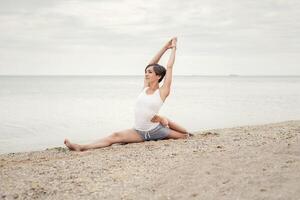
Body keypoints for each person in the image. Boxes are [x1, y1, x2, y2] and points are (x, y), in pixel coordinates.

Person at [64, 37, 191, 151]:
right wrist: (164, 47)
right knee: (114, 136)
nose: (146, 74)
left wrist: (174, 48)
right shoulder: (145, 88)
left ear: (158, 76)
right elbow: (150, 63)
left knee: (184, 135)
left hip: (156, 130)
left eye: (150, 72)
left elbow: (169, 67)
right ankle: (81, 147)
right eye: (146, 72)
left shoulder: (162, 92)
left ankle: (165, 120)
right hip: (138, 132)